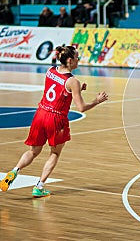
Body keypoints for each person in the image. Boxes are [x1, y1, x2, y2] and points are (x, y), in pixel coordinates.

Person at [0, 45, 108, 197]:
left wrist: (76, 90)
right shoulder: (72, 81)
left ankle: (14, 171)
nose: (79, 60)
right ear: (70, 60)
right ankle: (39, 186)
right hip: (56, 119)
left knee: (34, 151)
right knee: (55, 153)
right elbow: (82, 107)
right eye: (77, 57)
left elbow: (59, 90)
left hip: (40, 114)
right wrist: (97, 101)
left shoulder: (50, 71)